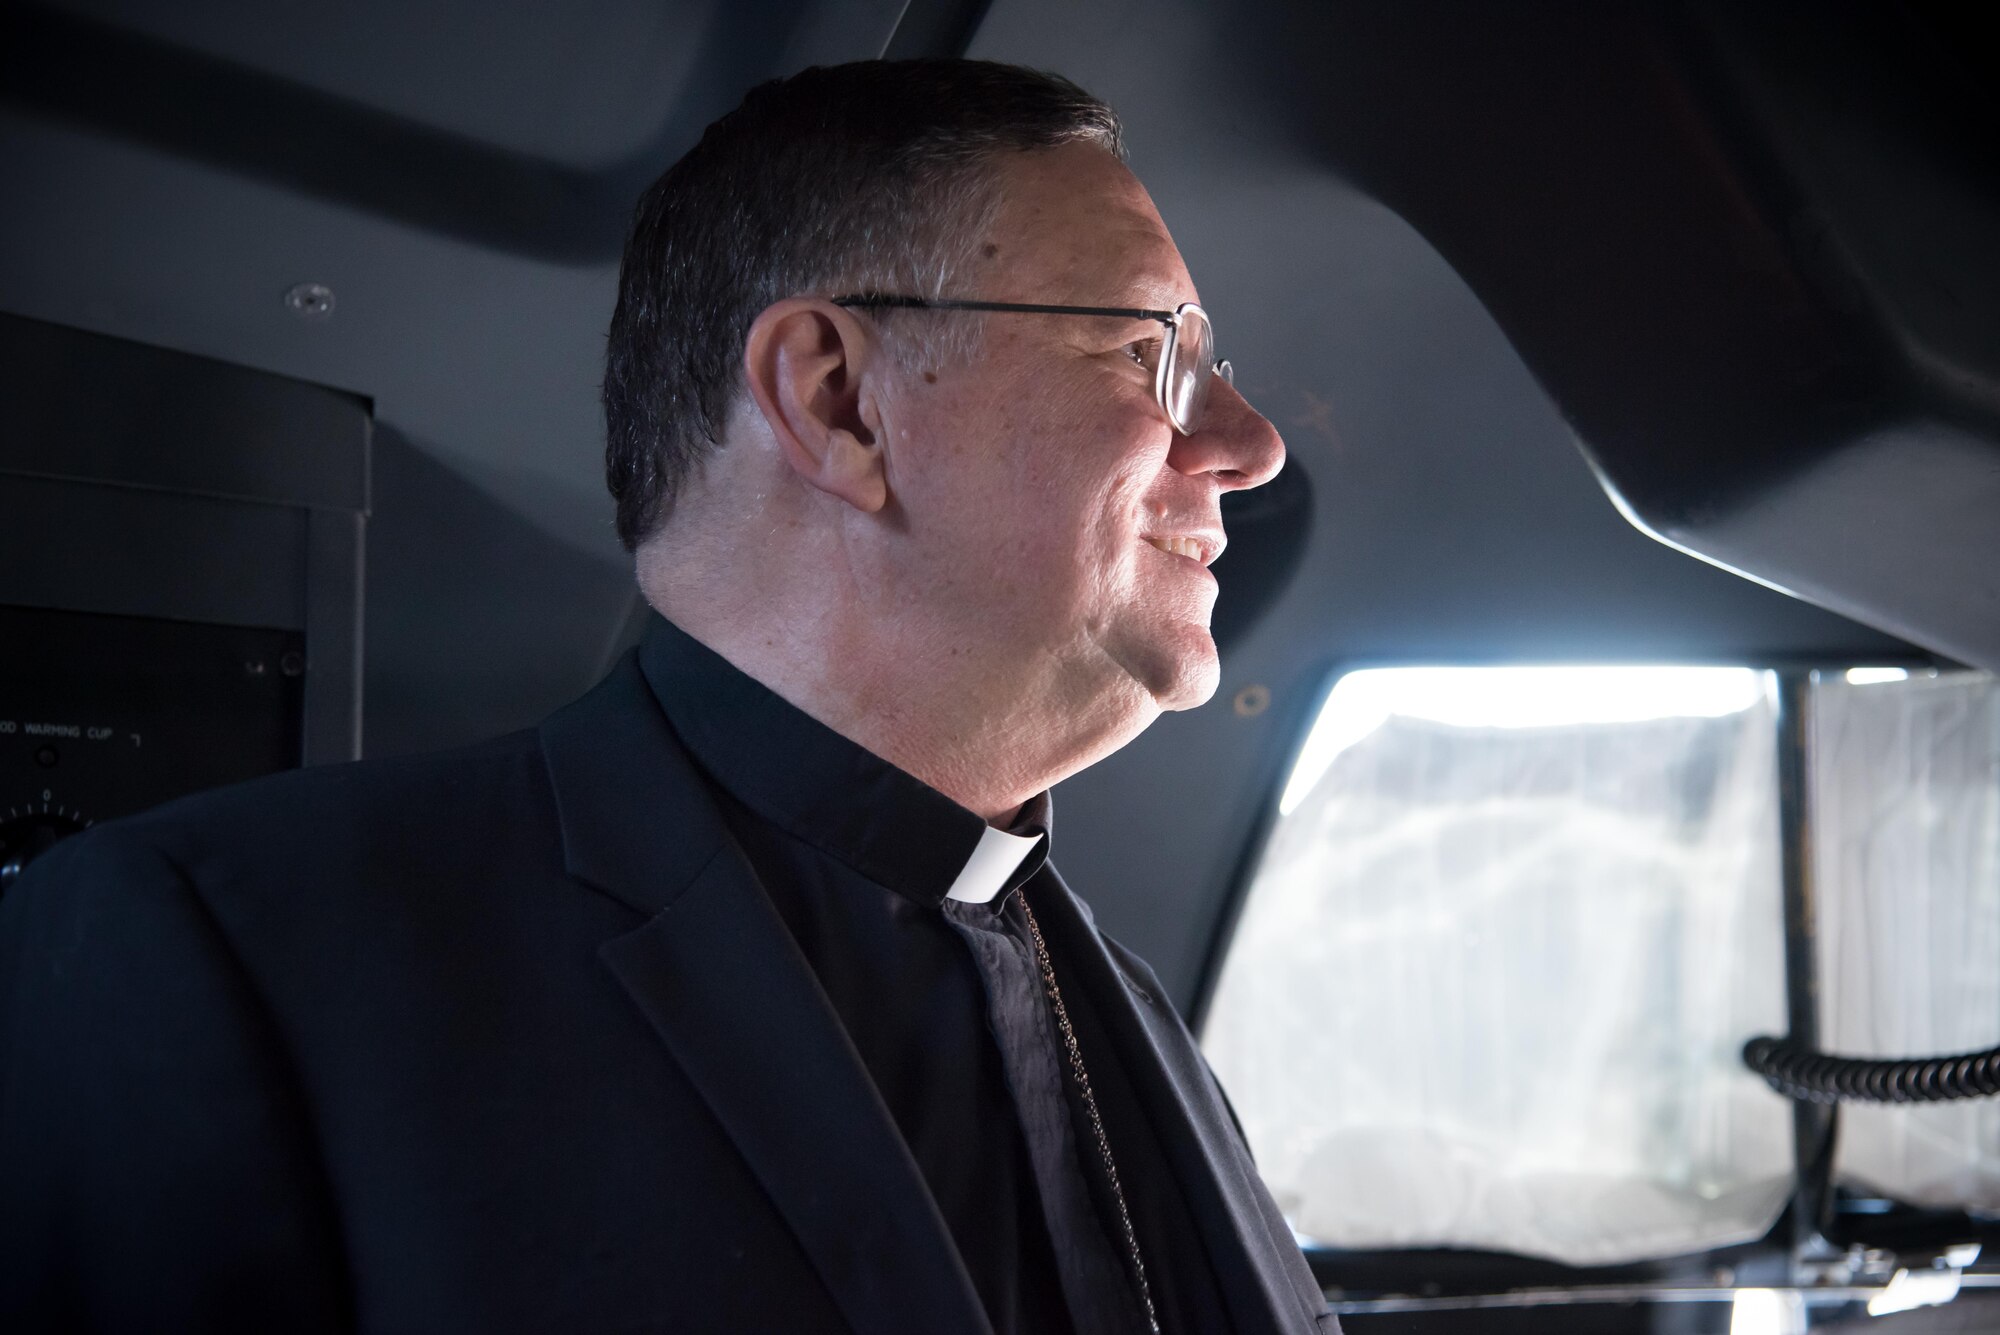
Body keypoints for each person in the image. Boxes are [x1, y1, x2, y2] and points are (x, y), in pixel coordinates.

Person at [0, 60, 1335, 1334]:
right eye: (1154, 352)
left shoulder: (1138, 1020)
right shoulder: (219, 956)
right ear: (837, 401)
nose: (1253, 445)